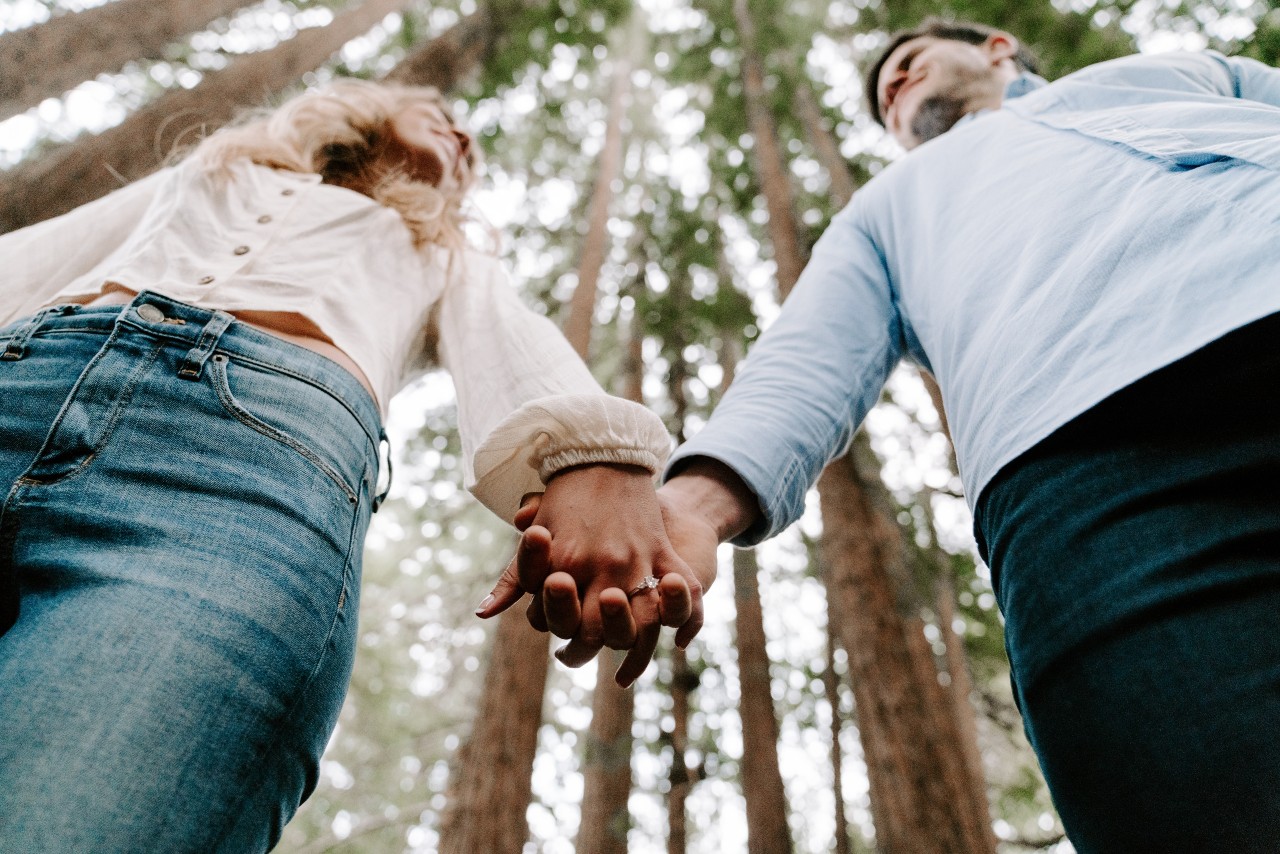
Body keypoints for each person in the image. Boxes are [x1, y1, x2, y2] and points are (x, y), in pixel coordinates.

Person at [489, 19, 1280, 852]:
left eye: (909, 64)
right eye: (882, 97)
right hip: (1089, 483)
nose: (895, 86)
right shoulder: (886, 209)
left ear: (998, 47)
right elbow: (807, 361)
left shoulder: (1184, 73)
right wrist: (689, 507)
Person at [0, 79, 704, 851]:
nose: (462, 137)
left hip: (240, 477)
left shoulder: (442, 246)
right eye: (441, 114)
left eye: (470, 146)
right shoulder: (218, 170)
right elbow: (39, 254)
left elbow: (504, 332)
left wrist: (598, 458)